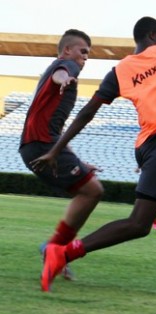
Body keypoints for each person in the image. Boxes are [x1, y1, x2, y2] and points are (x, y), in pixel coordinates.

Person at [31, 17, 156, 293]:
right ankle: (63, 254)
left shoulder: (120, 70)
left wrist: (56, 149)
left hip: (148, 146)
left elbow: (88, 113)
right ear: (153, 36)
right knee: (139, 224)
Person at [19, 29, 104, 280]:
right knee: (93, 191)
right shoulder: (65, 67)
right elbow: (63, 72)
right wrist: (65, 77)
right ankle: (54, 248)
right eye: (83, 51)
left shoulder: (56, 74)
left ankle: (55, 248)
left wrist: (74, 159)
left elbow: (54, 128)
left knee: (87, 190)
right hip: (40, 145)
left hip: (39, 145)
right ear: (67, 50)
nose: (85, 58)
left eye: (88, 54)